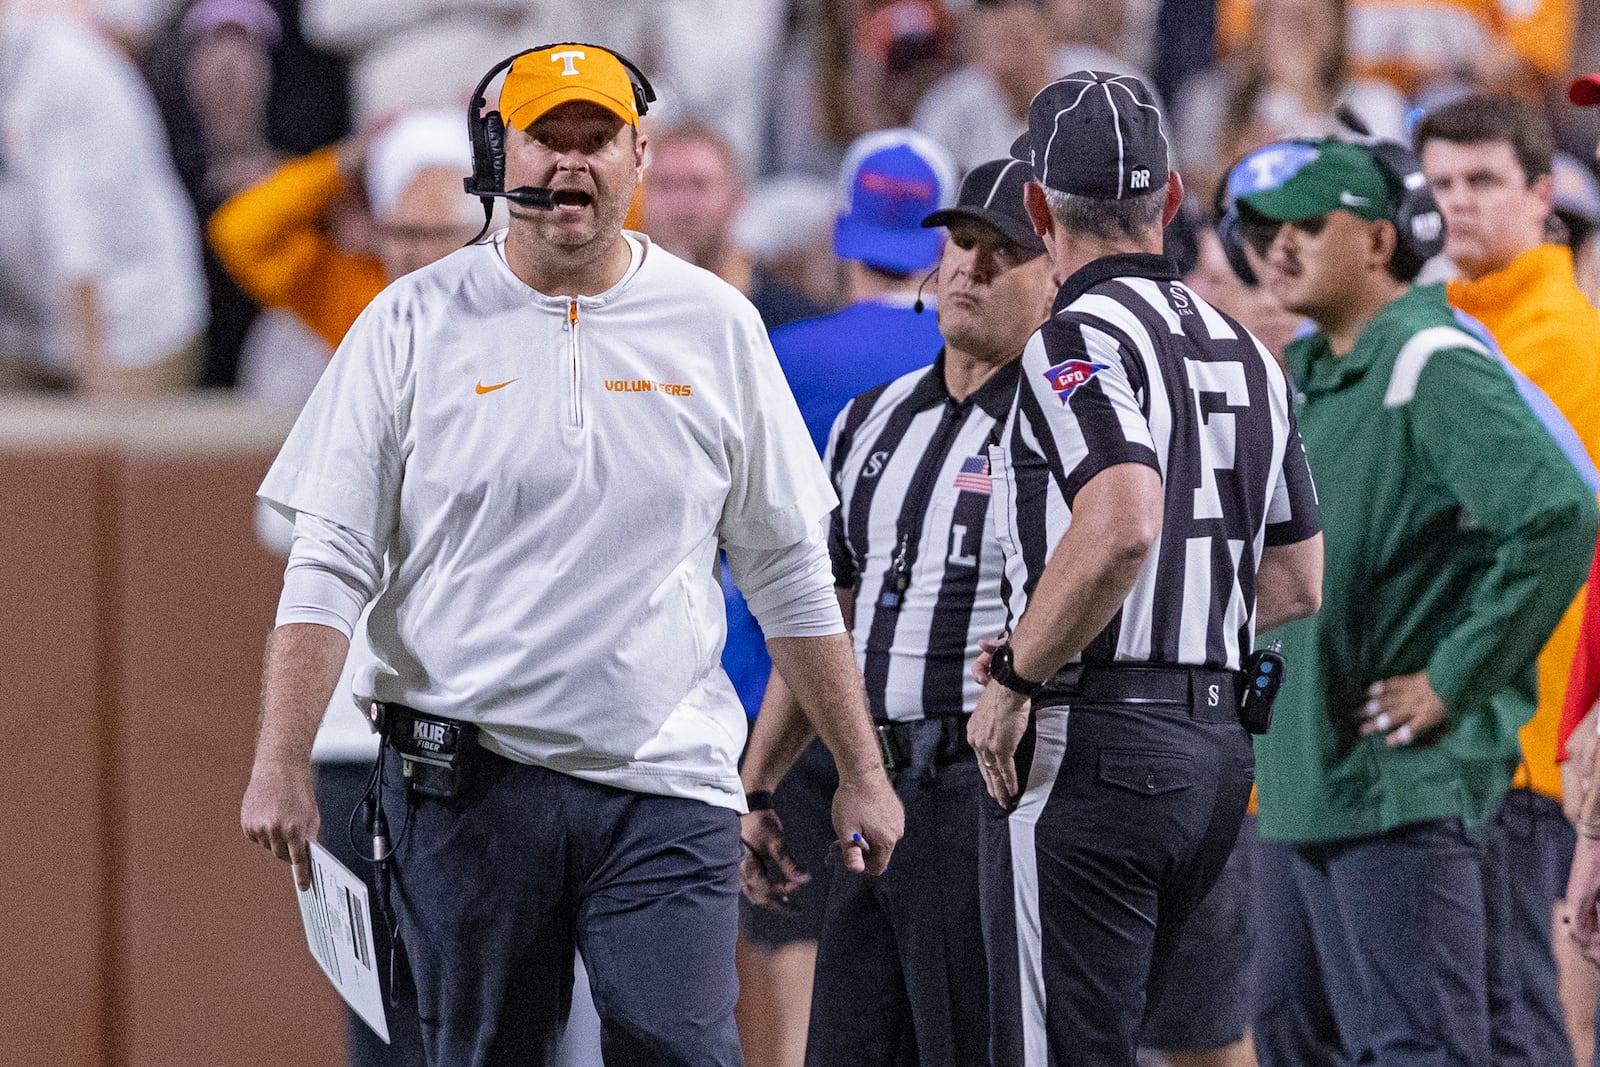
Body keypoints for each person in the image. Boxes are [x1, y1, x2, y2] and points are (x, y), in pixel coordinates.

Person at [238, 43, 903, 1065]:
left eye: (596, 138)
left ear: (639, 153)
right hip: (467, 779)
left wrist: (860, 765)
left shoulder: (715, 324)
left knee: (680, 1044)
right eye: (547, 136)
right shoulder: (408, 322)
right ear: (500, 154)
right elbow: (328, 559)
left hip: (664, 773)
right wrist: (281, 754)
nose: (570, 162)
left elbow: (788, 570)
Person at [969, 71, 1326, 1067]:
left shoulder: (1072, 336)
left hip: (1093, 740)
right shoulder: (1249, 351)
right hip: (1215, 749)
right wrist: (1179, 625)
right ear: (1170, 200)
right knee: (1197, 1043)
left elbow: (1122, 518)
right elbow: (1297, 581)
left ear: (1037, 208)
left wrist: (1018, 672)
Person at [1232, 135, 1600, 1067]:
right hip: (1296, 781)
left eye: (1311, 225)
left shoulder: (1431, 360)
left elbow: (1560, 514)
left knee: (1420, 1049)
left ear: (1381, 241)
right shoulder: (1307, 375)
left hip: (1399, 787)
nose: (1279, 248)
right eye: (1266, 229)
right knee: (1291, 1040)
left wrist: (1451, 676)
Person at [741, 156, 1055, 1067]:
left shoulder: (1066, 422)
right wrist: (758, 782)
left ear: (1054, 278)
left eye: (1004, 250)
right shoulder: (870, 423)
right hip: (873, 782)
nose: (969, 267)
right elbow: (821, 616)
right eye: (960, 242)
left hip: (988, 789)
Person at [727, 125, 955, 1067]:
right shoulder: (977, 357)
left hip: (780, 697)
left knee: (800, 987)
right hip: (931, 702)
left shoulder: (776, 355)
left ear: (841, 231)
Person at [1416, 91, 1600, 1067]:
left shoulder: (1571, 346)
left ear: (1540, 195)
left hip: (1527, 744)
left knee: (1516, 1018)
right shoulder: (1440, 329)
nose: (1456, 203)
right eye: (1439, 182)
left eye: (1482, 180)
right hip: (1462, 739)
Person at [0, 10, 208, 398]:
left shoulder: (59, 68)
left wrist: (95, 386)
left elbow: (79, 242)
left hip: (130, 331)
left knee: (106, 447)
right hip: (30, 332)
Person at [641, 118, 818, 330]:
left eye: (698, 185)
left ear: (737, 200)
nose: (681, 202)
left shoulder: (790, 321)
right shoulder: (616, 310)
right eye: (666, 185)